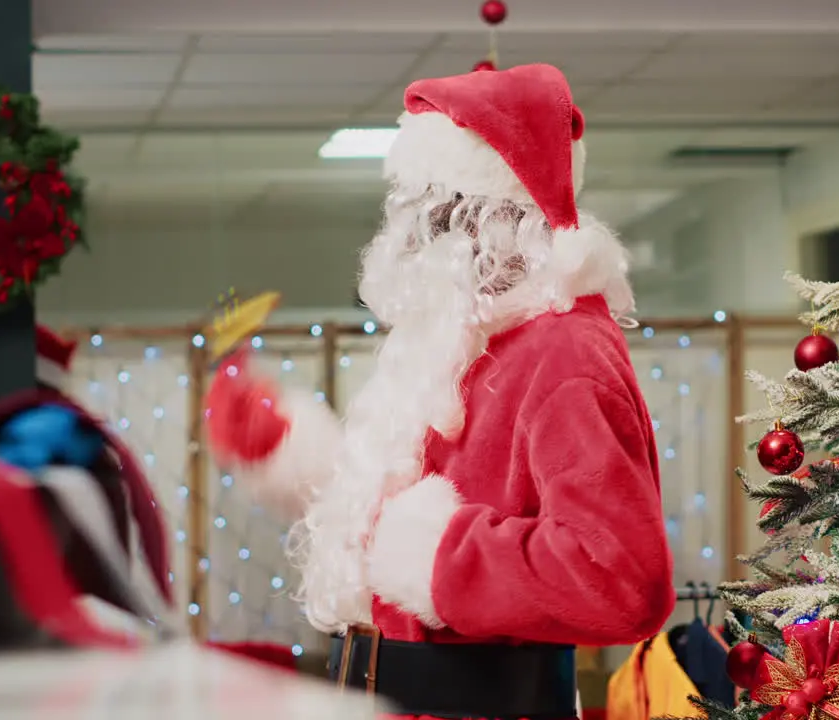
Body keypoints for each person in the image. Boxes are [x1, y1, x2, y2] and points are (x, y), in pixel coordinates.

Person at [205, 64, 675, 719]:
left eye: (434, 212)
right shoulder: (466, 339)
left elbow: (622, 580)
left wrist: (440, 558)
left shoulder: (563, 353)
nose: (413, 238)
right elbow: (427, 502)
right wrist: (294, 454)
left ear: (489, 219)